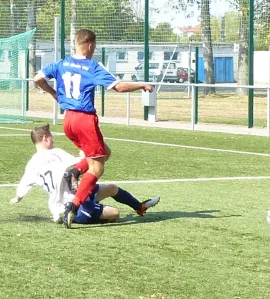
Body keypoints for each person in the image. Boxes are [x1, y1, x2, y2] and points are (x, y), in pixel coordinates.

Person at [33, 28, 154, 228]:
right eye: (94, 47)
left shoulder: (62, 63)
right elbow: (119, 87)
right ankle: (73, 206)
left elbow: (38, 78)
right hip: (85, 120)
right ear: (90, 46)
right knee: (97, 168)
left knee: (104, 152)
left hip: (68, 120)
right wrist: (142, 85)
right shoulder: (92, 66)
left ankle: (74, 172)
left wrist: (54, 94)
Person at [9, 124, 160, 224]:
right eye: (51, 137)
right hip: (72, 206)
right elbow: (82, 162)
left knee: (112, 188)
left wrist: (17, 197)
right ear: (45, 138)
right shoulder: (55, 153)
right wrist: (86, 150)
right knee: (115, 213)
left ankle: (139, 207)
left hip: (73, 197)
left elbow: (23, 185)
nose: (53, 140)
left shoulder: (32, 164)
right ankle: (82, 214)